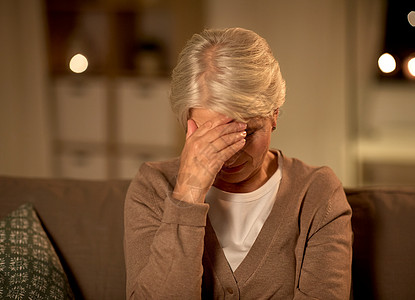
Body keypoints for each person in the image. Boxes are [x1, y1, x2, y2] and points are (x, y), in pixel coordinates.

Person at [124, 27, 352, 299]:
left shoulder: (316, 193)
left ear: (274, 115)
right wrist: (187, 195)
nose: (230, 153)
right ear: (188, 124)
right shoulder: (153, 187)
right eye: (212, 135)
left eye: (247, 132)